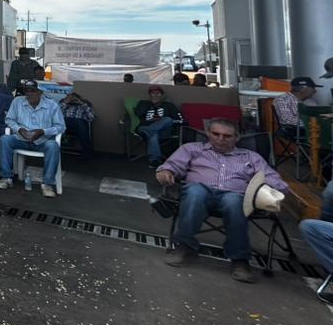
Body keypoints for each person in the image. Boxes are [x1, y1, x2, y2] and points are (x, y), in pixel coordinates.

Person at [157, 118, 288, 283]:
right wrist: (166, 172)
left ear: (237, 137)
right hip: (200, 191)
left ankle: (239, 260)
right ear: (207, 133)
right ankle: (184, 247)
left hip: (234, 195)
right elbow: (171, 166)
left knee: (233, 202)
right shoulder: (192, 149)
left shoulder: (251, 157)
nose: (220, 139)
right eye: (215, 134)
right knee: (195, 193)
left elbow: (274, 180)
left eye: (227, 136)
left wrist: (276, 193)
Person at [0, 80, 65, 197]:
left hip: (42, 141)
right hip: (21, 139)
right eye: (27, 91)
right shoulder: (17, 101)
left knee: (53, 146)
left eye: (33, 91)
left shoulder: (52, 105)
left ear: (40, 92)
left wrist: (43, 131)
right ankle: (6, 178)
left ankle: (47, 184)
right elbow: (9, 119)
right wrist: (20, 130)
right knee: (4, 139)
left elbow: (61, 127)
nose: (29, 94)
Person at [134, 85, 183, 168]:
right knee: (154, 135)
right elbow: (138, 115)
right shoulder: (143, 103)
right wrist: (152, 107)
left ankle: (149, 131)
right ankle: (155, 161)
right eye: (153, 93)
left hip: (162, 131)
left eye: (158, 93)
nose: (156, 95)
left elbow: (179, 120)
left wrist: (161, 120)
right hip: (145, 126)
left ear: (162, 95)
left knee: (167, 119)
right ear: (150, 95)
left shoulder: (169, 105)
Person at [273, 76, 321, 144]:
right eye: (312, 88)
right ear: (302, 88)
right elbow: (287, 120)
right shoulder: (282, 99)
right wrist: (312, 124)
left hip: (313, 129)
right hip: (295, 131)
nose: (315, 91)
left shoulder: (310, 101)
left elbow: (317, 115)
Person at [60, 91, 95, 160]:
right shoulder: (63, 103)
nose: (73, 100)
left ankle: (87, 153)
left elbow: (91, 118)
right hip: (65, 124)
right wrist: (65, 102)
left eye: (74, 98)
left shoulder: (84, 105)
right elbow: (56, 114)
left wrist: (82, 104)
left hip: (79, 125)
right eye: (71, 98)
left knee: (79, 122)